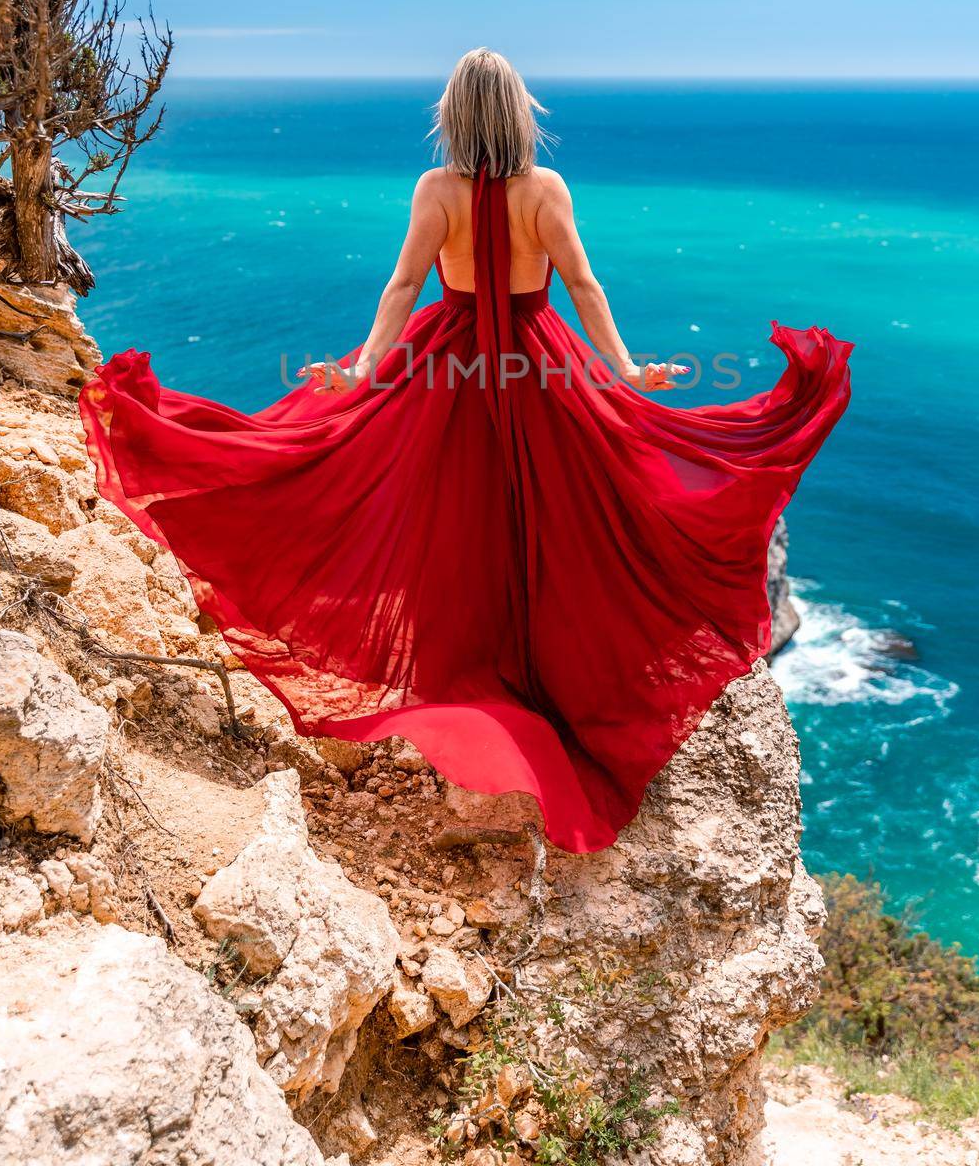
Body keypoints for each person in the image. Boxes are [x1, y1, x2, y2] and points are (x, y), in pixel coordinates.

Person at [80, 49, 852, 853]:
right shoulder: (545, 190)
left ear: (451, 116)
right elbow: (582, 285)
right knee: (563, 508)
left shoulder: (435, 190)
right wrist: (624, 370)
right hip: (534, 361)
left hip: (446, 361)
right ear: (520, 114)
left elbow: (403, 287)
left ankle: (462, 663)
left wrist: (362, 369)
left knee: (428, 502)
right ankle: (556, 666)